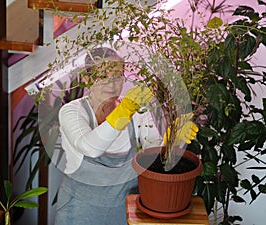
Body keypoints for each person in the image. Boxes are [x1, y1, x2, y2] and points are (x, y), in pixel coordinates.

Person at [54, 47, 198, 225]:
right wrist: (123, 112)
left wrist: (173, 141)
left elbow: (153, 159)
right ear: (86, 78)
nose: (112, 85)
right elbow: (90, 148)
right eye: (103, 76)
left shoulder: (136, 110)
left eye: (117, 76)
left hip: (124, 210)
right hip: (79, 211)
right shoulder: (72, 112)